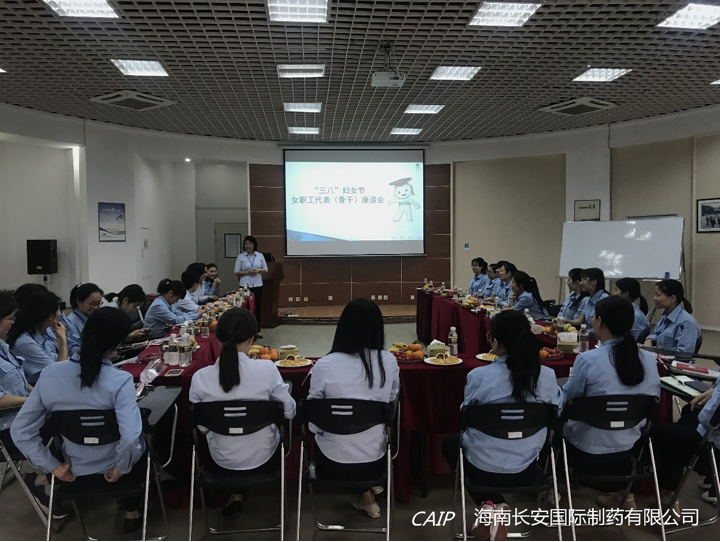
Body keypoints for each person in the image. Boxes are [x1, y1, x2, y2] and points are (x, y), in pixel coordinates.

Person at [11, 308, 147, 533]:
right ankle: (132, 511)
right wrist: (121, 467)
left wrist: (53, 468)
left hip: (74, 471)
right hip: (116, 471)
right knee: (145, 432)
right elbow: (131, 438)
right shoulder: (120, 380)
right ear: (115, 346)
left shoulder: (50, 375)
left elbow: (20, 431)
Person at [442, 310, 562, 540]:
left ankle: (492, 504)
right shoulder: (546, 375)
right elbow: (559, 408)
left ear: (495, 342)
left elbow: (465, 417)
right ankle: (495, 507)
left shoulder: (479, 376)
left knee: (450, 444)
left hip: (482, 469)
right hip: (527, 469)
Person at [189, 308, 295, 516]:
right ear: (252, 339)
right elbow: (289, 412)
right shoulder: (267, 370)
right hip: (264, 456)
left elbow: (202, 429)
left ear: (216, 339)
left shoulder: (200, 378)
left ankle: (235, 494)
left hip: (221, 460)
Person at [561, 297, 660, 510]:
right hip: (630, 445)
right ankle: (625, 494)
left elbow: (567, 403)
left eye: (593, 317)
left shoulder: (588, 359)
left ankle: (554, 491)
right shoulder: (649, 359)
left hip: (584, 447)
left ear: (599, 321)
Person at [308, 299, 400, 519]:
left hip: (330, 460)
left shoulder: (324, 365)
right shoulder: (388, 362)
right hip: (376, 459)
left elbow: (313, 416)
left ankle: (367, 497)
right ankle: (368, 493)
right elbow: (391, 403)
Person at [0, 291, 68, 519]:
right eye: (10, 317)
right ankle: (45, 481)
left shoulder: (2, 347)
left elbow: (21, 383)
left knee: (70, 419)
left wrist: (39, 394)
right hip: (8, 426)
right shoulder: (21, 342)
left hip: (26, 414)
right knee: (66, 429)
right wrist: (34, 400)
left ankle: (55, 481)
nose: (13, 322)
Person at [9, 290, 68, 385]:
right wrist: (63, 340)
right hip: (39, 386)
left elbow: (55, 358)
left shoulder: (42, 333)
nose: (60, 314)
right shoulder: (26, 343)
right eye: (58, 310)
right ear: (51, 316)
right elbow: (58, 373)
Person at [645, 279, 701, 354]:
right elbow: (657, 334)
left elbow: (683, 355)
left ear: (673, 298)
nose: (654, 298)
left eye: (658, 295)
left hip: (669, 361)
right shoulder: (665, 316)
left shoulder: (687, 322)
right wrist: (650, 340)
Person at [234, 236, 268, 335]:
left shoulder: (260, 256)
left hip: (257, 285)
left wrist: (258, 270)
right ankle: (245, 330)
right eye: (246, 244)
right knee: (245, 308)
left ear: (254, 245)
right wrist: (247, 272)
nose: (248, 246)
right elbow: (236, 271)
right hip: (245, 286)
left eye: (250, 244)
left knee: (257, 307)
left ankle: (257, 330)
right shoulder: (241, 257)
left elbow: (265, 269)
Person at [61, 283, 104, 358]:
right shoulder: (70, 323)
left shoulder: (94, 318)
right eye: (92, 304)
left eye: (98, 303)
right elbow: (71, 350)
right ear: (79, 302)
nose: (96, 307)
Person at [562, 268, 609, 333]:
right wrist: (565, 321)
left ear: (594, 282)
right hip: (586, 334)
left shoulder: (605, 300)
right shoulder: (588, 299)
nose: (581, 283)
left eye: (584, 279)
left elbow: (603, 327)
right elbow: (580, 321)